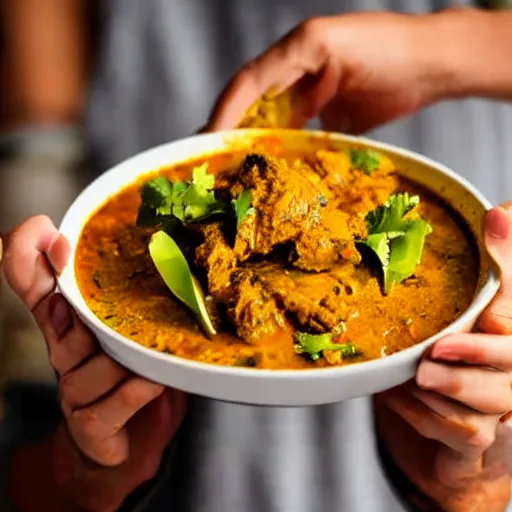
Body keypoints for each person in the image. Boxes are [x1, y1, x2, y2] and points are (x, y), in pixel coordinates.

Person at [3, 4, 512, 512]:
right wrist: (84, 472)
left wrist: (442, 51)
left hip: (449, 191)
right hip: (167, 432)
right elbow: (40, 133)